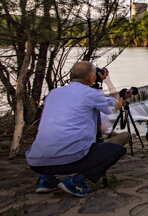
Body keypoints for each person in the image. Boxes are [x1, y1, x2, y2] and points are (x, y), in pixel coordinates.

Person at [26, 61, 126, 197]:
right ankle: (74, 182)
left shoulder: (53, 94)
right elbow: (118, 104)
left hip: (36, 162)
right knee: (116, 150)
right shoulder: (91, 94)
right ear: (91, 78)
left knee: (47, 142)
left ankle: (47, 180)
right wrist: (108, 81)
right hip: (70, 161)